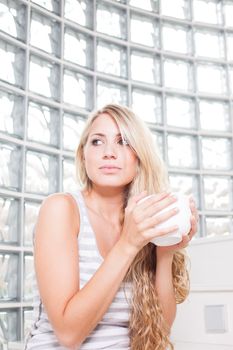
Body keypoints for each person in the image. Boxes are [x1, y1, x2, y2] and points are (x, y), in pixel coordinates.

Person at [24, 104, 198, 350]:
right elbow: (68, 334)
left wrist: (165, 250)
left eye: (123, 142)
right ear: (83, 155)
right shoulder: (61, 209)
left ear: (139, 156)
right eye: (97, 141)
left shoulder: (142, 220)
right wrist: (128, 243)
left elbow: (160, 329)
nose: (108, 152)